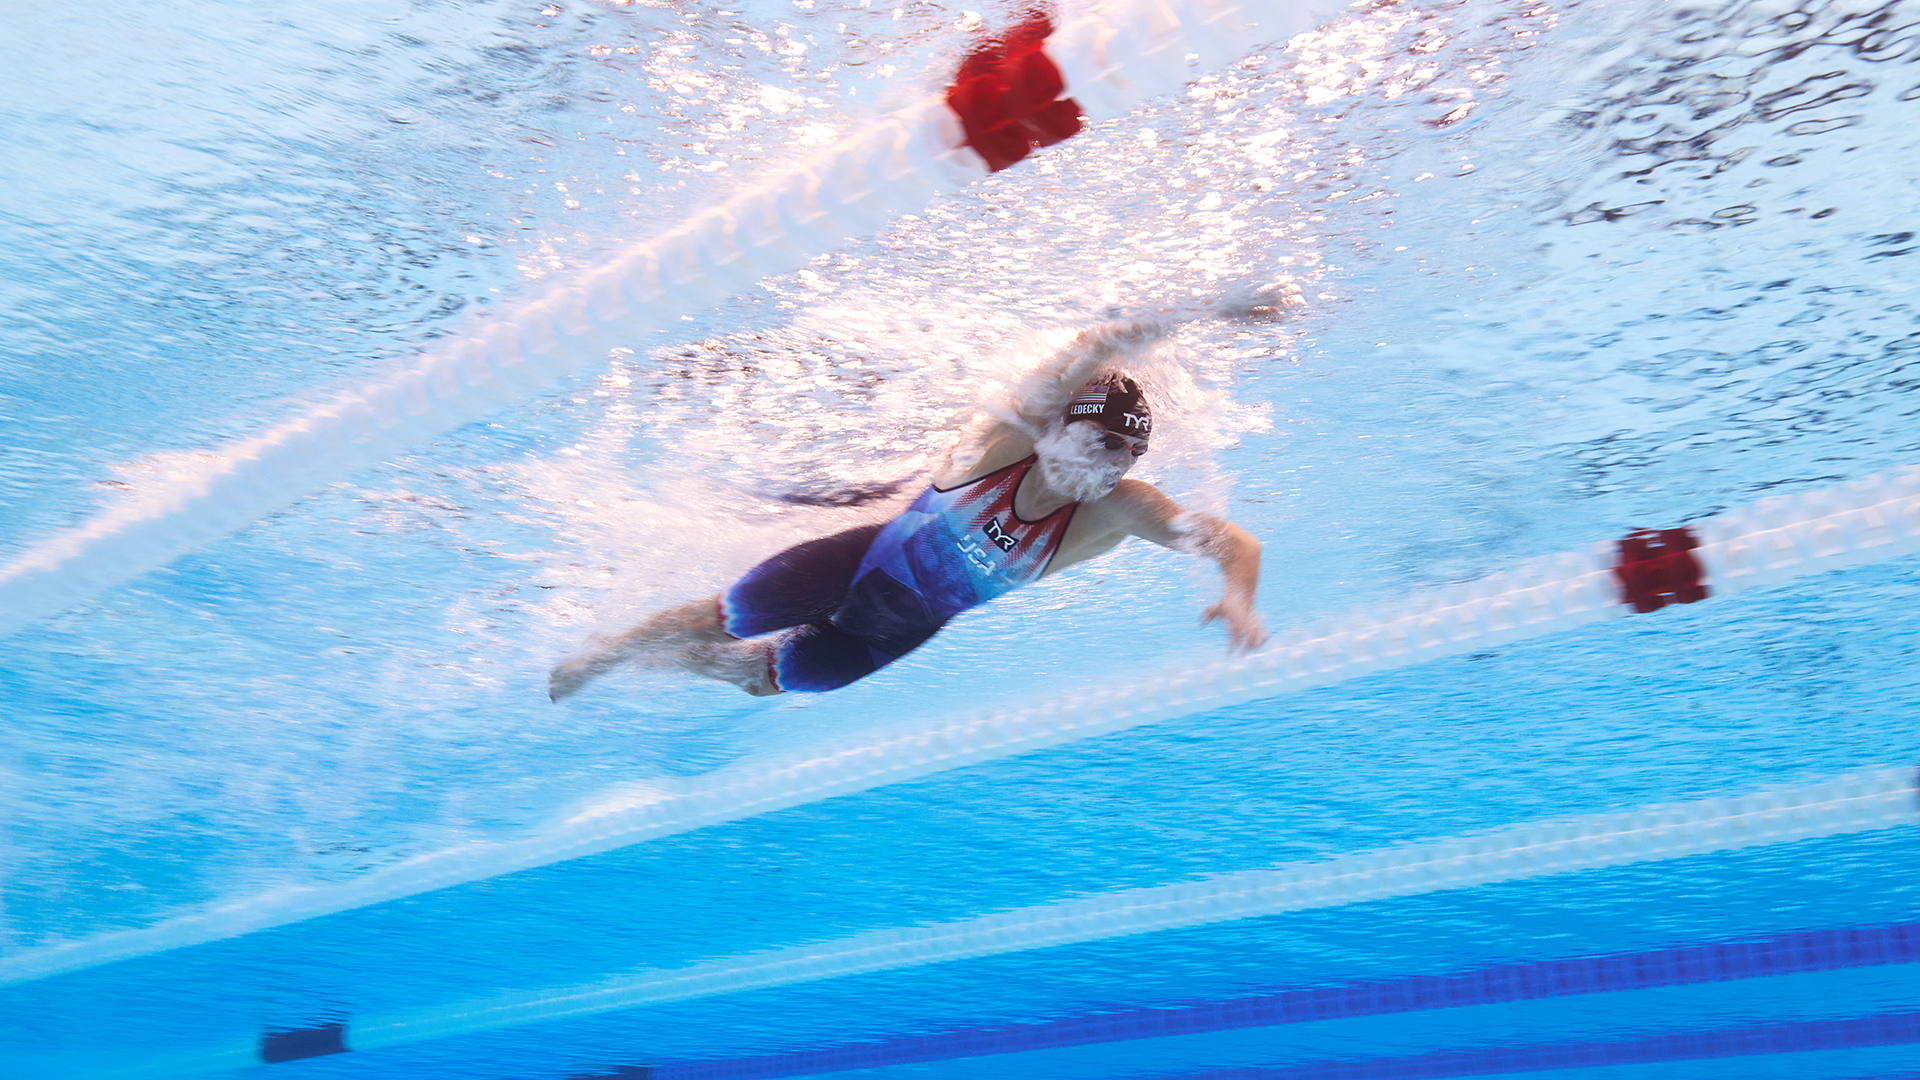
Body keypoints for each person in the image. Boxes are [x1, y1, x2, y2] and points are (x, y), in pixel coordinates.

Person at [548, 323, 1265, 700]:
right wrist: (1193, 313)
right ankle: (609, 651)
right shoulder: (1004, 442)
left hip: (895, 633)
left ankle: (658, 665)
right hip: (847, 571)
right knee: (724, 616)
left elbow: (1231, 541)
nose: (1112, 464)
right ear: (1059, 426)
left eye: (1126, 455)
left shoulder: (1115, 512)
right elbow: (1093, 346)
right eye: (1101, 442)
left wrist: (1236, 597)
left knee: (758, 680)